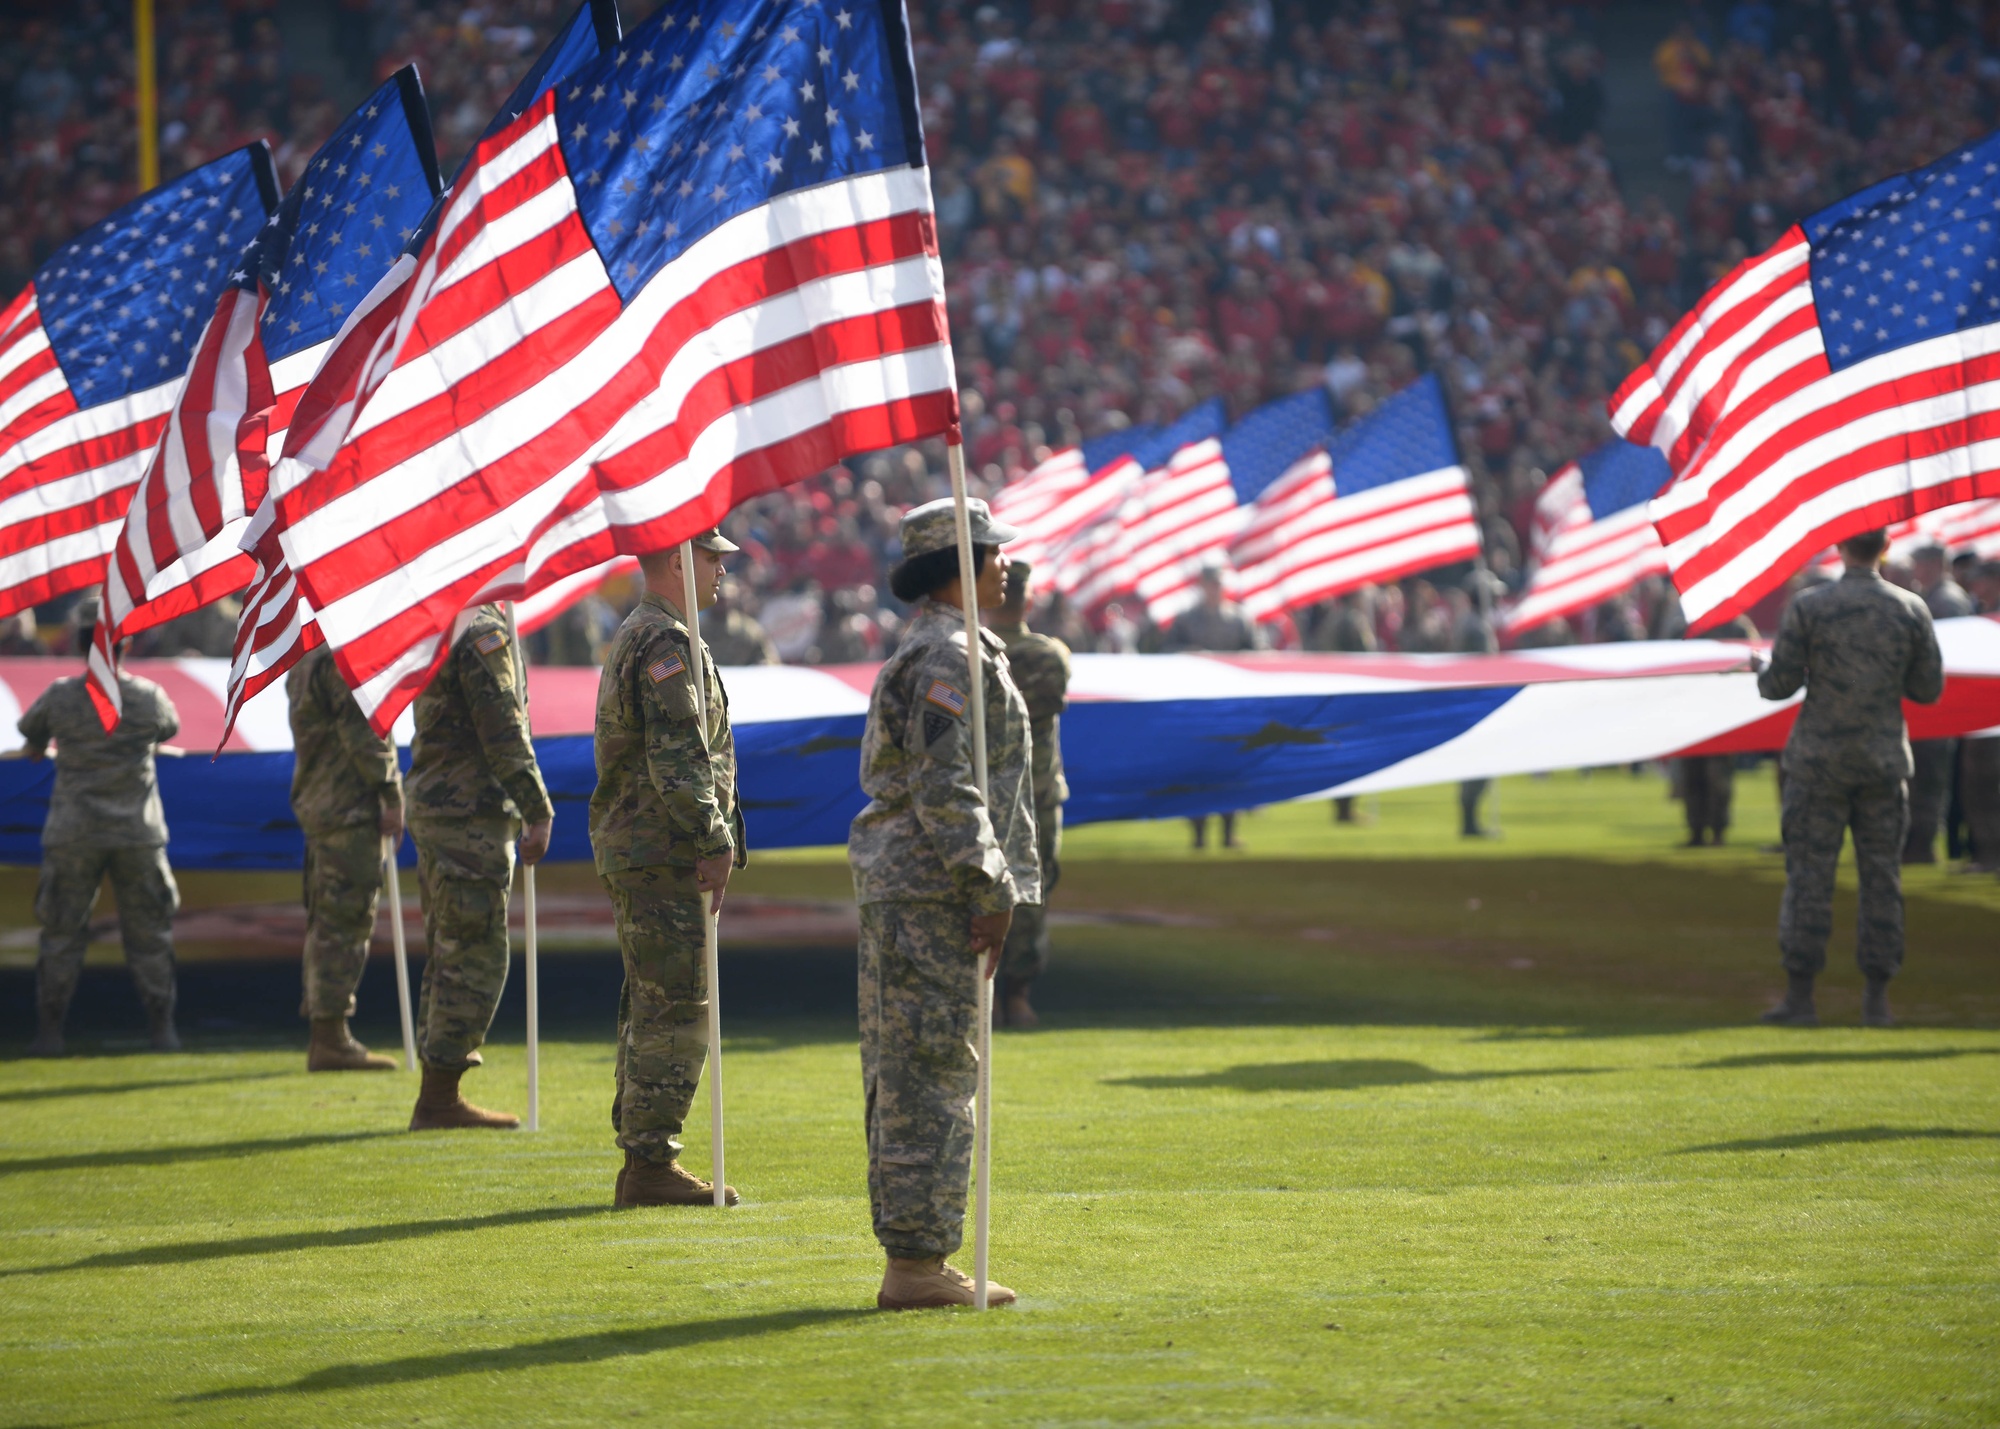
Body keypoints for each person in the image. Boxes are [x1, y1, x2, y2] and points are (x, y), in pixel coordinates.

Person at [849, 497, 1038, 1310]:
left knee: (924, 1067)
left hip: (923, 884)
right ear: (958, 563)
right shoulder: (944, 657)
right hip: (932, 886)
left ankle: (919, 1255)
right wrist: (988, 883)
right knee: (928, 1072)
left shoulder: (955, 649)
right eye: (991, 551)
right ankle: (919, 1262)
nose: (1004, 563)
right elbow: (945, 783)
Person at [591, 530, 746, 1208]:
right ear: (676, 559)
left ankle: (644, 1156)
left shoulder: (656, 632)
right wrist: (713, 838)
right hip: (663, 848)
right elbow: (679, 757)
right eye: (713, 556)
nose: (722, 568)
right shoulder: (665, 640)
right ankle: (651, 1161)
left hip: (645, 846)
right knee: (677, 1002)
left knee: (654, 999)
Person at [1754, 530, 1943, 1028]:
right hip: (1882, 763)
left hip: (1819, 764)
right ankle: (1877, 1001)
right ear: (1884, 549)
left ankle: (1800, 998)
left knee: (1809, 880)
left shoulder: (1810, 606)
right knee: (1882, 878)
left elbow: (1779, 686)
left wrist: (1760, 670)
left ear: (1840, 548)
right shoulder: (1910, 609)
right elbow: (1928, 689)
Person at [405, 604, 553, 1129]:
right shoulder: (482, 630)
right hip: (467, 814)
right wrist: (536, 806)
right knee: (473, 954)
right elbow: (503, 727)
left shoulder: (449, 618)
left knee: (451, 950)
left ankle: (438, 1090)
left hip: (442, 808)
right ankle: (440, 1097)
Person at [19, 596, 183, 1056]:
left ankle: (50, 1033)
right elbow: (168, 729)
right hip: (137, 833)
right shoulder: (148, 697)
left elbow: (32, 738)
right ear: (125, 643)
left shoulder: (58, 697)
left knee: (61, 935)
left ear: (76, 641)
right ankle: (162, 1028)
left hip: (74, 832)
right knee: (150, 933)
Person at [287, 645, 405, 1071]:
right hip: (349, 808)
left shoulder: (307, 660)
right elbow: (363, 733)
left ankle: (327, 1031)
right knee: (344, 924)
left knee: (327, 921)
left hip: (324, 805)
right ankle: (330, 1037)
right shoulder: (344, 657)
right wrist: (391, 793)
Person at [987, 558, 1070, 1030]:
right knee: (1031, 893)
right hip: (1035, 794)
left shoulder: (965, 653)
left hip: (982, 792)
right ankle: (1018, 995)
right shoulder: (1046, 654)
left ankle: (987, 990)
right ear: (1028, 599)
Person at [1166, 566, 1262, 849]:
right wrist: (1190, 654)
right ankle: (1198, 834)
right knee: (1196, 771)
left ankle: (1228, 833)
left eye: (1218, 584)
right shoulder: (1186, 620)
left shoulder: (1239, 619)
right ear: (1202, 585)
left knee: (1230, 770)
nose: (1215, 589)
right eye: (1210, 584)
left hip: (1231, 707)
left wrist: (1232, 660)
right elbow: (1164, 650)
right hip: (1196, 707)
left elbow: (1258, 653)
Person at [1902, 543, 1972, 863]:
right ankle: (1919, 844)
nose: (1916, 570)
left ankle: (1924, 846)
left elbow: (1948, 655)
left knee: (1929, 781)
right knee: (1921, 780)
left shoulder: (1946, 600)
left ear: (1932, 564)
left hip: (1940, 703)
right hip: (1929, 701)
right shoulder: (1935, 597)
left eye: (1919, 563)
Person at [1676, 615, 1759, 846]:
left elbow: (1751, 662)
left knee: (1717, 777)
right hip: (1692, 712)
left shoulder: (1738, 627)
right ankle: (1696, 830)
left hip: (1721, 713)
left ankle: (1718, 830)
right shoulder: (1687, 627)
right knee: (1692, 775)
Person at [700, 576, 781, 666]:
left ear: (734, 598)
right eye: (718, 598)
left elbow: (769, 660)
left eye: (725, 599)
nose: (721, 603)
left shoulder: (750, 630)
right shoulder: (696, 630)